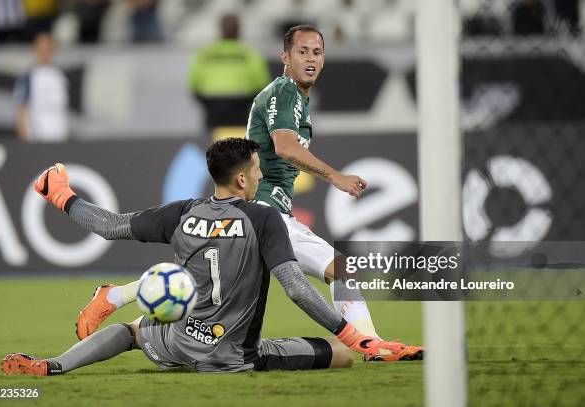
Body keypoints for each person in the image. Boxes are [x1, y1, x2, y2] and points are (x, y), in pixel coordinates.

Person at [1, 139, 422, 376]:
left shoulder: (181, 213)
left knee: (133, 332)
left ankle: (53, 365)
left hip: (177, 341)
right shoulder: (264, 219)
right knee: (341, 355)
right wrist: (356, 337)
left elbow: (110, 226)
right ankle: (362, 345)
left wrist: (61, 195)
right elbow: (295, 288)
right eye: (257, 171)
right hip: (233, 357)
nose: (260, 176)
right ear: (242, 178)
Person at [79, 25, 385, 349]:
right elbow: (285, 147)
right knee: (341, 270)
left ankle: (115, 295)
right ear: (285, 56)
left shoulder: (289, 95)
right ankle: (373, 344)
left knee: (205, 288)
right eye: (302, 51)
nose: (310, 59)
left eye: (317, 52)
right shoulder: (286, 93)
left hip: (251, 208)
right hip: (267, 211)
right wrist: (336, 177)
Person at [189, 14, 271, 135]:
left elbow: (194, 84)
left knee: (212, 139)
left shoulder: (205, 54)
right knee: (238, 141)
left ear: (220, 29)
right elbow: (263, 85)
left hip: (212, 102)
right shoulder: (250, 54)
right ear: (239, 30)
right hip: (241, 103)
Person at [14, 32, 69, 142]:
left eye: (48, 49)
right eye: (42, 49)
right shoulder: (29, 77)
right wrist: (26, 140)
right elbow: (21, 112)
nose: (45, 52)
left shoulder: (59, 75)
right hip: (39, 138)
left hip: (60, 137)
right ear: (35, 49)